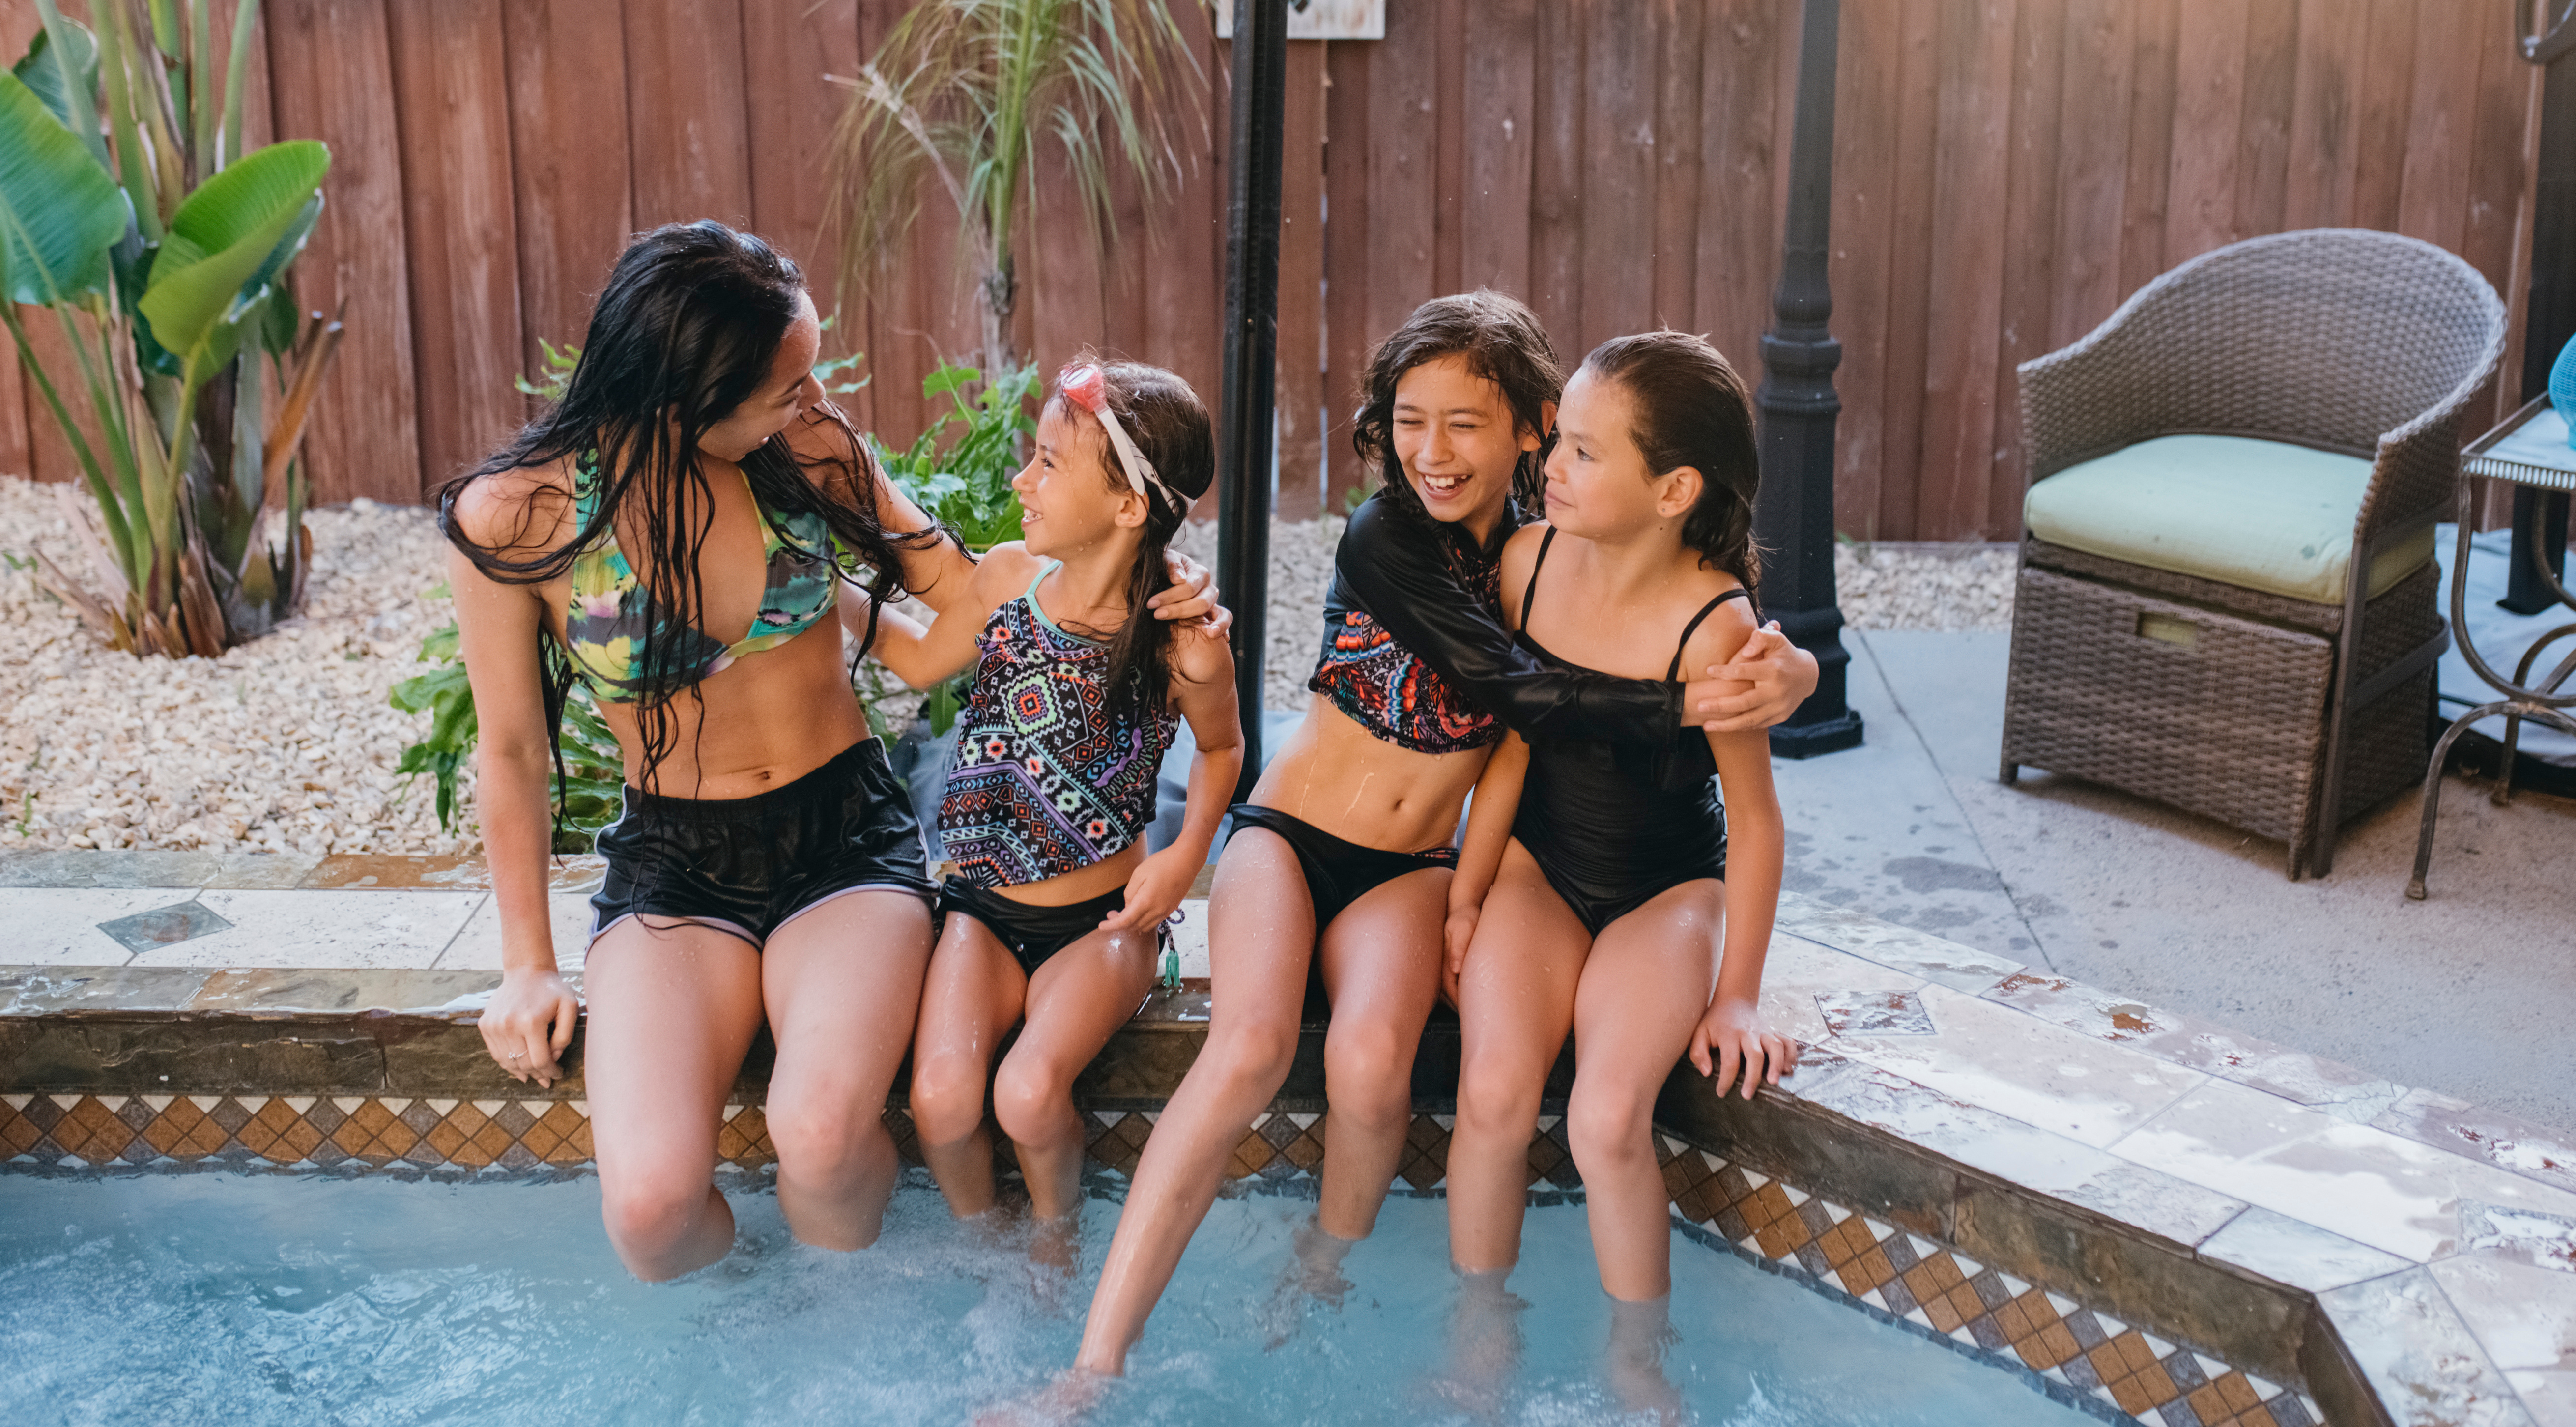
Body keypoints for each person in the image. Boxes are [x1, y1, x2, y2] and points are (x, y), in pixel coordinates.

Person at [1063, 292, 1820, 1387]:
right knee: (1250, 1047)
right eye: (1407, 420)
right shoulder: (1389, 539)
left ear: (1531, 425)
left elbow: (1654, 596)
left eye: (1466, 423)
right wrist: (1679, 709)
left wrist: (1783, 673)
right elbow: (1521, 694)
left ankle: (1322, 1271)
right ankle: (1094, 1363)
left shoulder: (1543, 547)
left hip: (1412, 868)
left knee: (1372, 1065)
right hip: (1291, 833)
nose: (1430, 450)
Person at [448, 223, 1215, 1281]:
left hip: (843, 841)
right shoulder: (518, 517)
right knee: (651, 1212)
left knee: (817, 1133)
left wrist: (1142, 588)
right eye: (784, 386)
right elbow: (513, 751)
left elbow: (959, 594)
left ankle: (844, 1332)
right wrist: (527, 964)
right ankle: (753, 1323)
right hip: (675, 864)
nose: (814, 404)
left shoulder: (805, 454)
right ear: (686, 395)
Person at [1441, 332, 1801, 1414]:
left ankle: (1638, 1375)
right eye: (1561, 440)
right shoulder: (1527, 562)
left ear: (1671, 488)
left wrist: (1737, 990)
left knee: (1605, 1119)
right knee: (1494, 1093)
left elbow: (1755, 817)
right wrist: (1468, 892)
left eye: (1587, 453)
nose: (1551, 463)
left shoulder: (1714, 623)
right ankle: (1478, 1346)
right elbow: (1509, 746)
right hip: (1540, 872)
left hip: (1664, 893)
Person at [877, 359, 1242, 1257]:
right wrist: (824, 604)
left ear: (1128, 509)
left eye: (1047, 464)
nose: (1021, 480)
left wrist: (1187, 852)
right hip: (981, 913)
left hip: (1103, 925)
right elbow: (922, 664)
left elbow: (1225, 749)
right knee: (942, 1102)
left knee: (1030, 1094)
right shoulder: (1008, 581)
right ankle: (981, 1242)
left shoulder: (1182, 642)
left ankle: (1055, 1237)